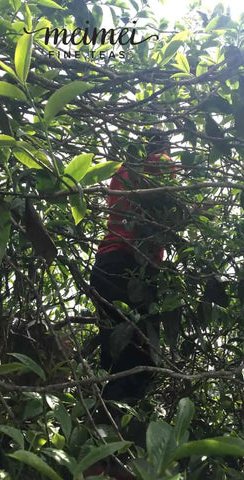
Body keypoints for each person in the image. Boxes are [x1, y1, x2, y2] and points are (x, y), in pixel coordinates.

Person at [90, 129, 174, 402]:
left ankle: (102, 422)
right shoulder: (162, 164)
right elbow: (171, 214)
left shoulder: (121, 171)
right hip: (135, 268)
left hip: (106, 264)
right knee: (140, 362)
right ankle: (119, 426)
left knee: (115, 357)